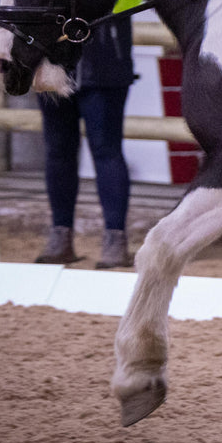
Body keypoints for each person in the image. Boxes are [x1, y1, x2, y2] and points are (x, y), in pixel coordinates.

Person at [33, 19, 136, 268]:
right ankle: (61, 234)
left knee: (106, 150)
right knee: (57, 150)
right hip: (52, 60)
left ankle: (115, 239)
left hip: (105, 59)